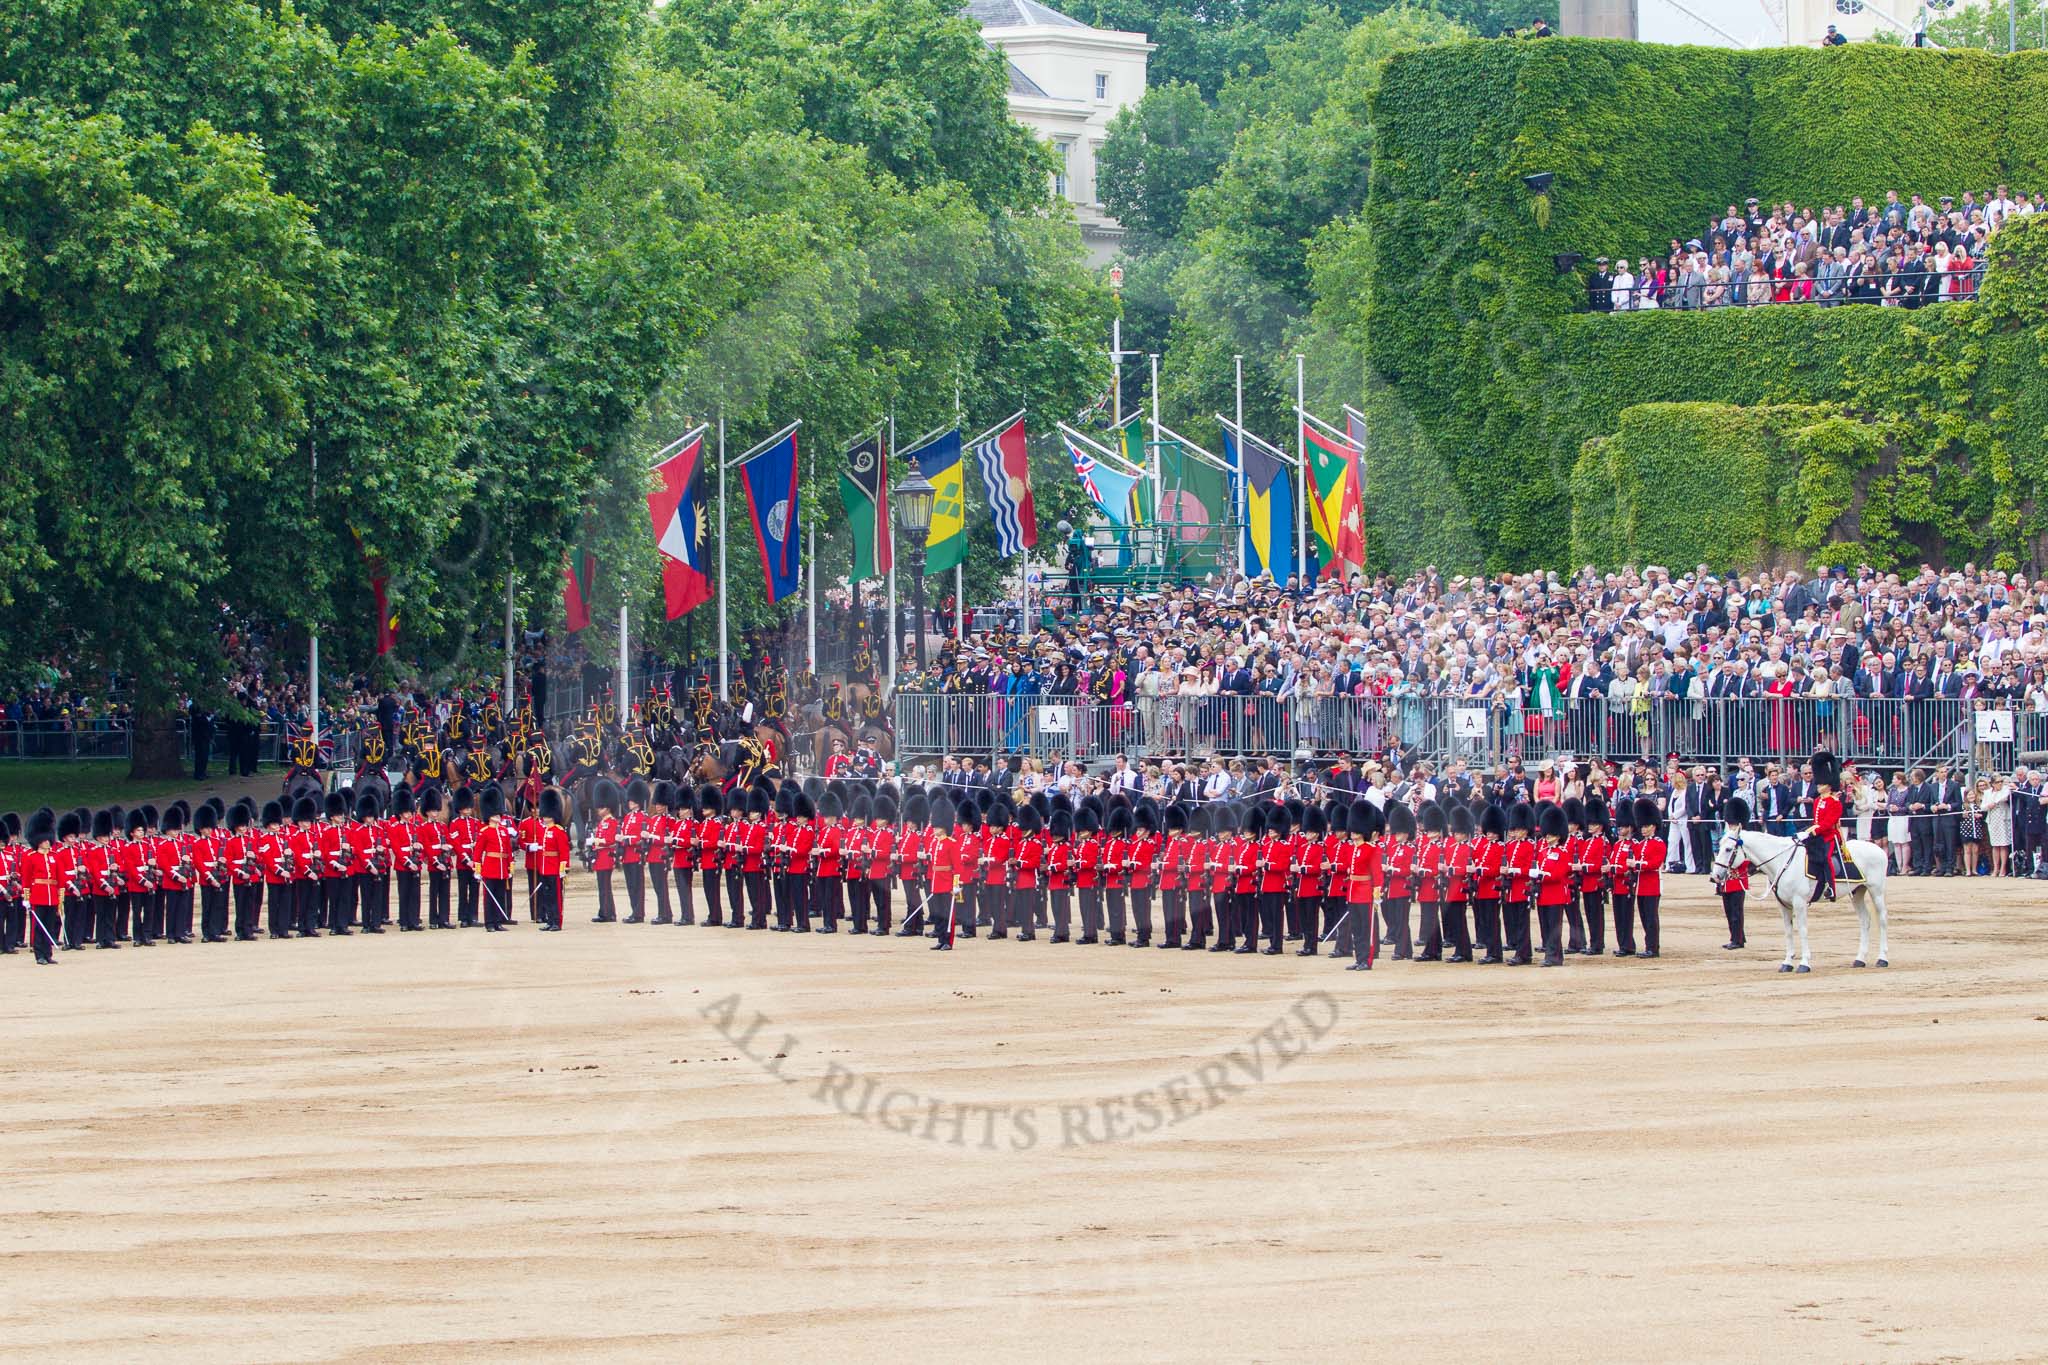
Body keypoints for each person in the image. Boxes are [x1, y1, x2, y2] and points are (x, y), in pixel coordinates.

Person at [1804, 749, 1843, 901]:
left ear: (1828, 785)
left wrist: (1816, 830)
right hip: (1818, 835)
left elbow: (1829, 823)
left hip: (1829, 836)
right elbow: (1816, 820)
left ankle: (1832, 888)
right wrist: (1811, 829)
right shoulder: (1818, 800)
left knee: (1826, 858)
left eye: (1821, 784)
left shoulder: (1834, 802)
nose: (1818, 786)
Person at [533, 787, 572, 931]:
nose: (544, 816)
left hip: (555, 869)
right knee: (547, 896)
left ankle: (557, 921)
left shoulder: (559, 831)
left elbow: (564, 852)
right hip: (545, 868)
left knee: (556, 897)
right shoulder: (544, 831)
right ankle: (550, 920)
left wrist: (563, 869)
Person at [1717, 796, 1751, 949]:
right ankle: (1737, 936)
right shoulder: (1726, 838)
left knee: (1736, 912)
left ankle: (1737, 939)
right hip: (1726, 880)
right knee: (1729, 911)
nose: (1731, 826)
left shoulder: (1743, 838)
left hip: (1738, 879)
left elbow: (1747, 860)